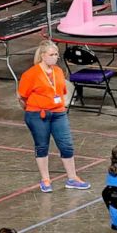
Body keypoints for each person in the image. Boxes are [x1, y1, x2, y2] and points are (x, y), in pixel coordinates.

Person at [17, 41, 90, 192]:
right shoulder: (31, 74)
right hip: (38, 114)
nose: (55, 57)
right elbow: (22, 96)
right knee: (42, 146)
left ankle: (72, 178)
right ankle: (45, 179)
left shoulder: (58, 71)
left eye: (56, 54)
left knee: (66, 145)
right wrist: (31, 108)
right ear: (43, 56)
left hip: (58, 113)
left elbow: (61, 91)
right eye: (51, 54)